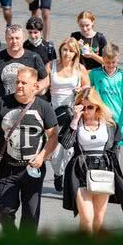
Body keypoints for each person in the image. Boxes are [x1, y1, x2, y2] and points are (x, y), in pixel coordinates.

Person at [0, 67, 60, 233]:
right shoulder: (2, 103)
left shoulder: (44, 107)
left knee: (31, 215)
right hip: (7, 168)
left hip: (32, 169)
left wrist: (43, 156)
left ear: (35, 86)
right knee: (4, 211)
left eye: (24, 82)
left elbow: (53, 136)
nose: (19, 85)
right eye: (17, 82)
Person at [61, 87, 123, 233]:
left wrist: (113, 171)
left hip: (103, 170)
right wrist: (75, 119)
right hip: (80, 170)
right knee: (86, 218)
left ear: (97, 106)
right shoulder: (75, 122)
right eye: (83, 107)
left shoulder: (109, 124)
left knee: (98, 218)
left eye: (90, 107)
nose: (86, 111)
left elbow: (115, 147)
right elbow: (66, 143)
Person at [0, 24, 49, 152]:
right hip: (2, 110)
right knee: (1, 149)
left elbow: (45, 79)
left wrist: (36, 89)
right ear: (6, 39)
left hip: (26, 111)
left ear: (23, 39)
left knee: (25, 148)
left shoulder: (33, 58)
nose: (14, 41)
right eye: (11, 38)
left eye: (17, 38)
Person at [47, 37, 90, 192]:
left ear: (75, 53)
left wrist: (82, 89)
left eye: (71, 51)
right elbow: (44, 84)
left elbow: (87, 85)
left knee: (70, 150)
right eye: (65, 50)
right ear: (60, 50)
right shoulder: (51, 66)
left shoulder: (79, 68)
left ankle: (69, 180)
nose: (67, 53)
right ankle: (58, 173)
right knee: (55, 152)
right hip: (55, 114)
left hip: (73, 114)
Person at [88, 43, 123, 154]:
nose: (110, 65)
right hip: (101, 116)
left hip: (118, 116)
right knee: (102, 144)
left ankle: (115, 169)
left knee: (116, 146)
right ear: (102, 59)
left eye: (113, 62)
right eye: (107, 62)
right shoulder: (95, 73)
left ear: (118, 59)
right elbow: (88, 90)